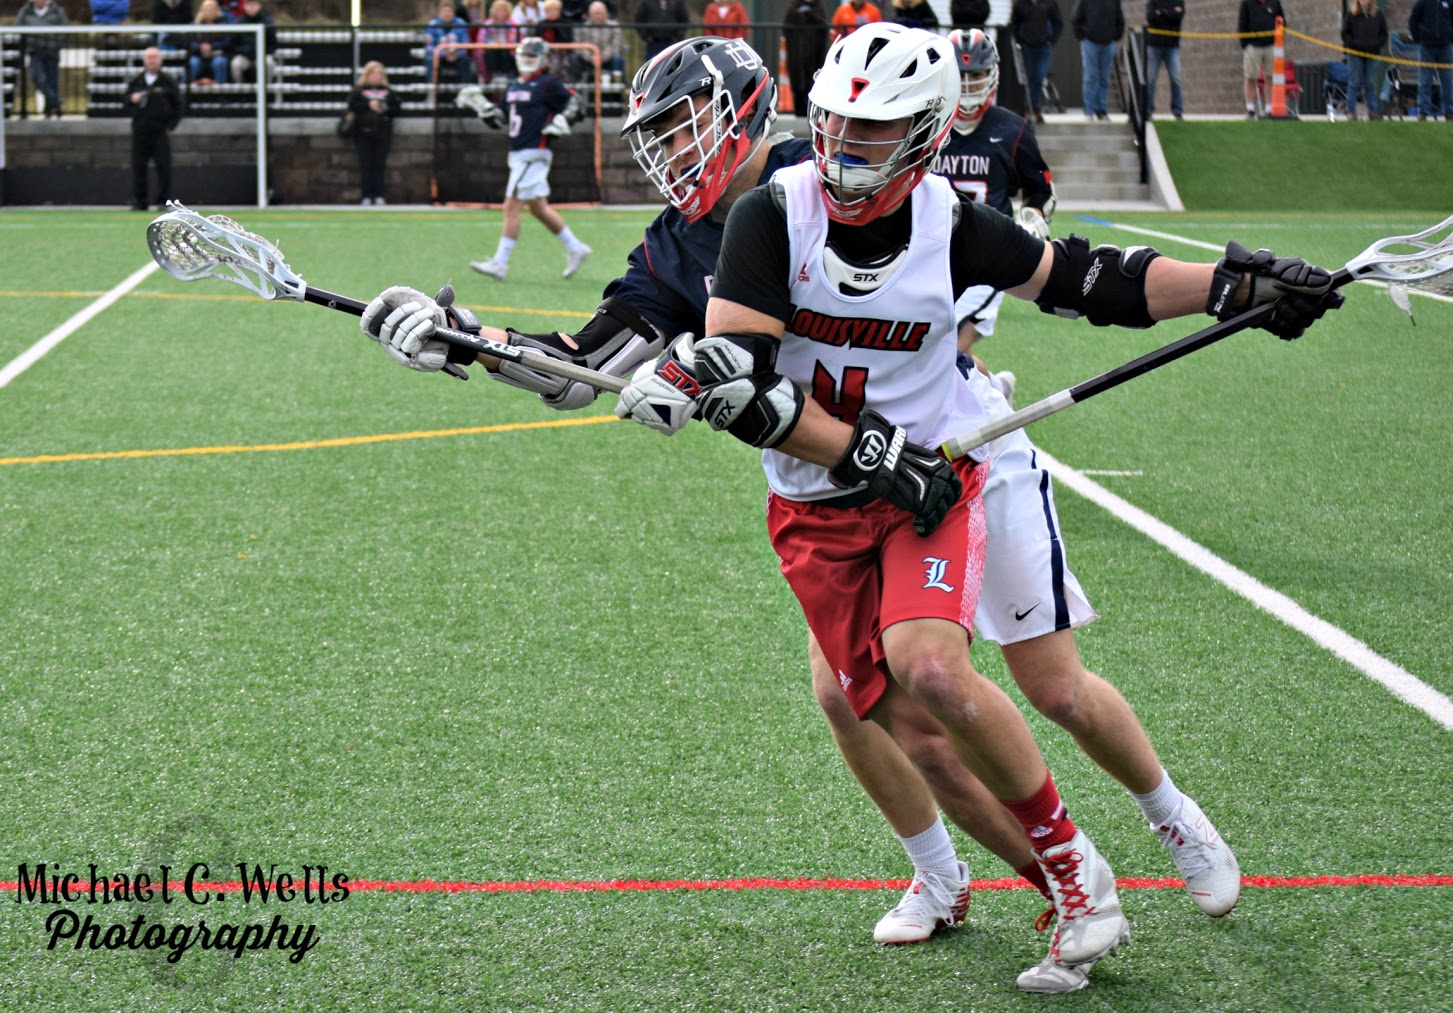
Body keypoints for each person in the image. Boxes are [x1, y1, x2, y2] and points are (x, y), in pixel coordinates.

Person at [358, 32, 1341, 991]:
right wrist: (465, 342)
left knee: (1046, 683)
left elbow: (1074, 277)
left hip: (956, 454)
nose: (670, 148)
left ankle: (1166, 817)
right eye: (656, 130)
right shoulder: (695, 241)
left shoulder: (859, 181)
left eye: (685, 122)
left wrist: (1226, 285)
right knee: (860, 700)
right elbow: (584, 366)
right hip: (836, 481)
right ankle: (991, 876)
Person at [935, 28, 1053, 368]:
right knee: (943, 359)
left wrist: (1032, 217)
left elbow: (1041, 191)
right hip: (929, 255)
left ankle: (1005, 420)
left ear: (993, 75)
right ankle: (997, 389)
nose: (969, 85)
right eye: (962, 76)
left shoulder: (1011, 129)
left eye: (977, 75)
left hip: (986, 260)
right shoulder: (928, 125)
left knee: (949, 357)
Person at [468, 38, 591, 281]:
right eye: (524, 56)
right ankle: (576, 248)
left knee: (511, 206)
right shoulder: (513, 85)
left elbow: (577, 103)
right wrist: (484, 108)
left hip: (534, 153)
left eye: (532, 57)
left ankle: (500, 263)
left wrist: (564, 119)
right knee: (538, 208)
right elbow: (503, 119)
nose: (527, 61)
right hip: (517, 152)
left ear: (543, 60)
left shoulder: (548, 84)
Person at [127, 46, 182, 211]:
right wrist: (132, 100)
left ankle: (164, 201)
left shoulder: (167, 81)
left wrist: (170, 126)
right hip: (140, 131)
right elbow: (125, 102)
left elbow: (179, 105)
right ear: (144, 60)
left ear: (160, 60)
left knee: (164, 167)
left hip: (160, 131)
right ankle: (139, 201)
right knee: (138, 167)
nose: (151, 61)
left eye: (154, 57)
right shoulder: (136, 81)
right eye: (149, 58)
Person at [346, 60, 401, 205]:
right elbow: (352, 105)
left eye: (378, 74)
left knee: (379, 165)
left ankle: (379, 195)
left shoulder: (388, 91)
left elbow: (397, 108)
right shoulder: (358, 91)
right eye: (373, 73)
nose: (376, 77)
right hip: (363, 132)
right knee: (366, 164)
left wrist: (383, 108)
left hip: (383, 132)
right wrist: (368, 105)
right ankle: (366, 195)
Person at [1009, 0, 1062, 122]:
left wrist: (1051, 40)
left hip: (1044, 47)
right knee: (1029, 77)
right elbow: (1014, 23)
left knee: (1039, 76)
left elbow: (1058, 23)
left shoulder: (1050, 3)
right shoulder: (1020, 4)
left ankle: (1034, 107)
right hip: (1027, 47)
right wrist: (1019, 40)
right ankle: (1030, 109)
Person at [1408, 0, 1453, 121]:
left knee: (1447, 81)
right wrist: (1419, 38)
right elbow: (1413, 20)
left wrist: (1452, 38)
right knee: (1425, 81)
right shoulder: (1423, 2)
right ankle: (1423, 111)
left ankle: (1449, 111)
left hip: (1445, 47)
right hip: (1426, 48)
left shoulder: (1451, 1)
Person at [14, 0, 68, 119]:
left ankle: (50, 110)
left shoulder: (57, 10)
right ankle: (57, 101)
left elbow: (65, 28)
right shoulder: (25, 11)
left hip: (52, 50)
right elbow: (17, 27)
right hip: (35, 51)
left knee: (52, 80)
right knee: (36, 77)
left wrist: (56, 43)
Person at [1070, 0, 1121, 121]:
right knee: (1090, 77)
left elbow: (1120, 20)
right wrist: (1082, 36)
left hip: (1108, 43)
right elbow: (1075, 19)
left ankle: (1101, 110)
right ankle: (1089, 111)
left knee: (1104, 78)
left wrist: (1115, 35)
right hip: (1090, 43)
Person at [1238, 0, 1284, 118]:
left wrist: (1278, 41)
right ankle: (1250, 109)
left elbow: (1282, 22)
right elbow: (1242, 23)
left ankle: (1269, 109)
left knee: (1270, 77)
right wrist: (1245, 44)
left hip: (1271, 46)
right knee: (1250, 77)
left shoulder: (1274, 2)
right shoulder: (1247, 3)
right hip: (1253, 46)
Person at [1340, 0, 1385, 120]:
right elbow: (1345, 34)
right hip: (1355, 54)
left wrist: (1376, 44)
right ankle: (1351, 112)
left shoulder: (1378, 15)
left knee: (1370, 83)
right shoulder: (1351, 15)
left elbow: (1383, 34)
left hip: (1372, 54)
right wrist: (1353, 44)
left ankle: (1372, 111)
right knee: (1354, 82)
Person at [1144, 0, 1184, 119]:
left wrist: (1161, 13)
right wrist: (1169, 14)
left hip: (1172, 47)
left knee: (1176, 79)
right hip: (1154, 45)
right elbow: (1150, 17)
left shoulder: (1179, 1)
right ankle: (1148, 111)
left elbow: (1178, 17)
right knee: (1150, 80)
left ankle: (1177, 111)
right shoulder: (1153, 1)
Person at [427, 0, 477, 84]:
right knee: (430, 60)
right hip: (440, 56)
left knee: (466, 61)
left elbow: (465, 43)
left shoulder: (461, 23)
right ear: (439, 13)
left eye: (449, 11)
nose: (447, 14)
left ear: (454, 12)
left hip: (457, 56)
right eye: (444, 11)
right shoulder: (433, 24)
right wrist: (443, 54)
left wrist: (456, 54)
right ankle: (433, 90)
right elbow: (430, 46)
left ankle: (465, 89)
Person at [573, 0, 624, 76]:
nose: (597, 16)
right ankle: (578, 84)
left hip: (608, 58)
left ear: (606, 13)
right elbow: (579, 47)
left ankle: (617, 84)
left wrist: (601, 57)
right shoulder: (582, 28)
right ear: (590, 14)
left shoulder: (614, 26)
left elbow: (616, 45)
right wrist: (591, 58)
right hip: (588, 59)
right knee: (574, 59)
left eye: (600, 13)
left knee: (618, 59)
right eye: (595, 13)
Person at [187, 0, 232, 85]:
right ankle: (187, 90)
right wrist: (200, 47)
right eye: (207, 9)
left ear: (217, 11)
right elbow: (189, 43)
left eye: (212, 9)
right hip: (198, 55)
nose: (209, 12)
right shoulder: (195, 25)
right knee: (193, 62)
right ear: (202, 11)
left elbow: (227, 42)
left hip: (217, 54)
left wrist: (212, 46)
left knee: (219, 62)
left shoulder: (223, 24)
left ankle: (221, 92)